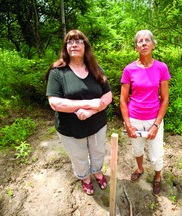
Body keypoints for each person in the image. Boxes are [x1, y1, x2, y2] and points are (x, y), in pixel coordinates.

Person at [46, 30, 112, 196]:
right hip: (70, 128)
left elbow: (108, 95)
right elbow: (54, 102)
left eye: (78, 41)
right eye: (69, 42)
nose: (73, 45)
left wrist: (91, 112)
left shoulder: (96, 69)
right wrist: (89, 103)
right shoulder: (57, 72)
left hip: (97, 124)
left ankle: (97, 172)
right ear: (65, 47)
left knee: (98, 151)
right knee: (78, 155)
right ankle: (85, 177)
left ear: (85, 46)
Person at [120, 30, 171, 194]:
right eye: (140, 41)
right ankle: (140, 169)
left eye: (147, 40)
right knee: (137, 149)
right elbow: (123, 100)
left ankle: (157, 176)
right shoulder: (129, 69)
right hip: (134, 117)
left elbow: (165, 99)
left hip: (153, 119)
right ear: (136, 47)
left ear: (153, 45)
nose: (143, 43)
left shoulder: (161, 68)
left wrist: (156, 124)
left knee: (156, 154)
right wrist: (128, 124)